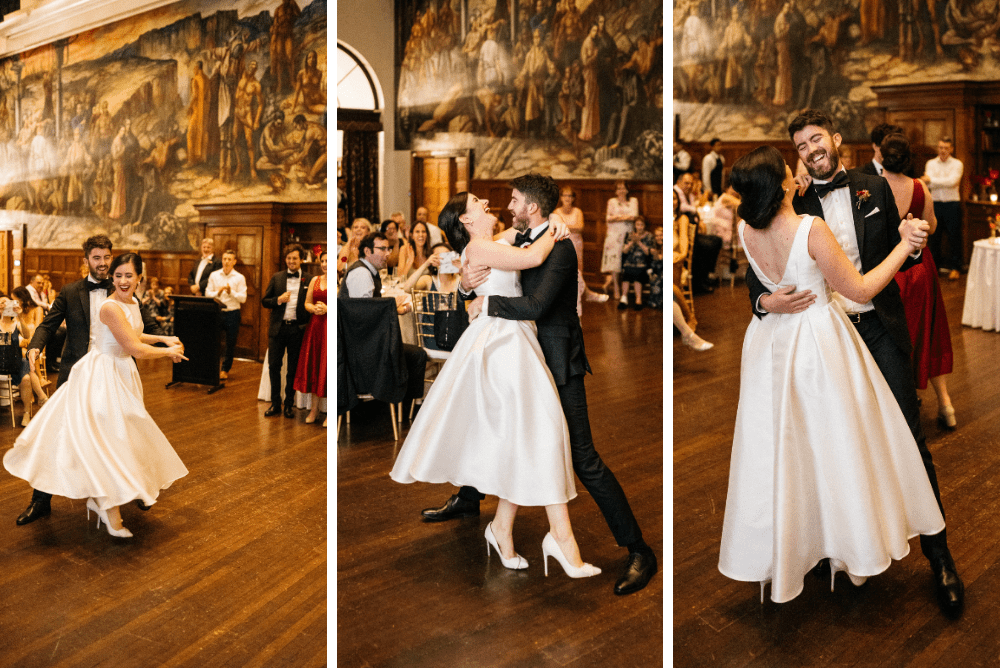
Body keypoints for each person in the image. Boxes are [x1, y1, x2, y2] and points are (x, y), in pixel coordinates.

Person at [746, 110, 963, 617]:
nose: (810, 150)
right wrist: (762, 303)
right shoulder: (790, 200)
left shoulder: (873, 187)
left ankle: (941, 556)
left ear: (836, 139)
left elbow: (897, 253)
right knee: (828, 444)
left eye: (816, 139)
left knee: (909, 438)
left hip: (878, 330)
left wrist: (914, 244)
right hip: (820, 341)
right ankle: (841, 549)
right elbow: (762, 273)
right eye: (800, 145)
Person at [425, 174, 658, 595]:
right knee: (510, 439)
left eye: (513, 200)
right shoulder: (523, 239)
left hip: (556, 361)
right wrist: (463, 288)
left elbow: (534, 304)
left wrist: (485, 302)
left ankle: (639, 550)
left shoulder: (560, 246)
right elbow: (487, 264)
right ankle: (497, 521)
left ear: (531, 207)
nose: (506, 205)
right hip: (524, 361)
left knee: (583, 459)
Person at [392, 187, 601, 580]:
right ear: (467, 220)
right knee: (541, 429)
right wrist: (559, 226)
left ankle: (504, 530)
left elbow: (527, 237)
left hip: (516, 340)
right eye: (477, 203)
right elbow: (535, 254)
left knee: (524, 436)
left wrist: (553, 220)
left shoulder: (491, 242)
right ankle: (561, 540)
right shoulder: (482, 249)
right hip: (500, 346)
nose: (487, 204)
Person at [5, 252, 188, 539]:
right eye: (118, 274)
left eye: (128, 275)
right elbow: (50, 326)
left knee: (118, 438)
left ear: (139, 276)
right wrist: (169, 352)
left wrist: (163, 337)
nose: (122, 279)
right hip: (98, 375)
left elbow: (135, 334)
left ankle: (119, 493)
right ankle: (83, 503)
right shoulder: (96, 301)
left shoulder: (131, 302)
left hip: (122, 373)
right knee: (83, 439)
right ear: (89, 260)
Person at [880, 134, 957, 429]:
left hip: (888, 271)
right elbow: (932, 226)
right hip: (920, 268)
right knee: (930, 332)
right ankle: (946, 405)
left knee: (893, 337)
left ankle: (897, 405)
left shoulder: (874, 187)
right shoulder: (919, 187)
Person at [339, 233, 427, 412]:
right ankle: (404, 407)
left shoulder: (368, 272)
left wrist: (395, 310)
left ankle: (401, 405)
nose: (388, 254)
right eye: (382, 249)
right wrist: (392, 306)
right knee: (417, 355)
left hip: (367, 343)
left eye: (389, 249)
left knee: (413, 352)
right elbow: (362, 316)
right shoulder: (361, 273)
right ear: (367, 251)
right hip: (360, 350)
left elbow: (370, 312)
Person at [262, 244, 313, 419]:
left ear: (301, 260)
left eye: (295, 258)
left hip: (297, 330)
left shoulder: (309, 279)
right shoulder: (277, 277)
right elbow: (265, 301)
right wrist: (278, 300)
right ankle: (275, 403)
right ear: (286, 260)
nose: (291, 261)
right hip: (278, 329)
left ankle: (289, 405)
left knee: (293, 369)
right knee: (274, 366)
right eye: (289, 258)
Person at [551, 186, 608, 315]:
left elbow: (580, 227)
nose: (567, 198)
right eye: (565, 195)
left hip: (576, 243)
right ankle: (582, 296)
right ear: (561, 197)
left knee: (578, 272)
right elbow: (555, 228)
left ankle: (579, 298)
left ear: (573, 198)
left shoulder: (578, 211)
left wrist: (564, 226)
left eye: (570, 196)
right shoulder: (556, 212)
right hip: (561, 243)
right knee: (566, 271)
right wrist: (569, 228)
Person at [921, 137, 964, 280]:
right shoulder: (931, 163)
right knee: (934, 237)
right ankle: (935, 268)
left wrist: (932, 180)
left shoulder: (957, 164)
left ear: (951, 149)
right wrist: (933, 182)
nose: (943, 150)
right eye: (940, 147)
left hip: (952, 204)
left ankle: (955, 268)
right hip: (935, 204)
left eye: (946, 148)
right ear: (938, 148)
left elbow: (952, 182)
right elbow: (926, 185)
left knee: (954, 237)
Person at [293, 251, 327, 425]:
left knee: (327, 368)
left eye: (329, 261)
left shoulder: (340, 283)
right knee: (315, 365)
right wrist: (313, 309)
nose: (325, 264)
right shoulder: (315, 280)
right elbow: (306, 302)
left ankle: (330, 412)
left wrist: (328, 309)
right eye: (323, 261)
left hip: (330, 327)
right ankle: (314, 409)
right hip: (315, 326)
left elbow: (344, 307)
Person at [205, 249, 247, 380]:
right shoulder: (214, 275)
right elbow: (207, 293)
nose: (226, 262)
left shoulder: (239, 277)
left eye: (229, 259)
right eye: (224, 259)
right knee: (213, 341)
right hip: (217, 312)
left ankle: (225, 369)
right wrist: (218, 292)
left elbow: (243, 298)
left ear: (234, 262)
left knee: (230, 343)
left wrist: (231, 292)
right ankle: (212, 367)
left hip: (232, 313)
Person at [12, 286, 49, 413]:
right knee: (27, 353)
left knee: (30, 351)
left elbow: (38, 330)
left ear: (22, 299)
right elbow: (11, 335)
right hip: (21, 346)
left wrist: (27, 341)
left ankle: (34, 389)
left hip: (34, 342)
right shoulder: (13, 313)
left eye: (15, 300)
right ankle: (39, 383)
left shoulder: (37, 309)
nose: (14, 303)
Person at [600, 180, 638, 301]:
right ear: (616, 191)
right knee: (615, 263)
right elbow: (608, 218)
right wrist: (624, 217)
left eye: (623, 188)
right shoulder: (611, 201)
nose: (621, 191)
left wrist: (617, 217)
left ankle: (614, 284)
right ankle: (616, 287)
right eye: (619, 188)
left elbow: (634, 217)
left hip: (628, 235)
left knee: (626, 262)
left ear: (627, 189)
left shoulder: (633, 201)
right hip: (613, 236)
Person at [0, 294, 34, 426]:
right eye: (1, 303)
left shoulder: (17, 323)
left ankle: (26, 413)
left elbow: (27, 335)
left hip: (15, 363)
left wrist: (19, 316)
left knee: (26, 379)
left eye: (6, 303)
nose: (3, 305)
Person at [619, 215, 654, 310]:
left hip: (642, 263)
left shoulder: (649, 236)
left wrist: (639, 242)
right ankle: (623, 298)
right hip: (630, 262)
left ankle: (638, 300)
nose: (639, 227)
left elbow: (648, 252)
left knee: (637, 274)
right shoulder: (630, 235)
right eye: (637, 225)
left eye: (641, 225)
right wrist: (632, 242)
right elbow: (624, 251)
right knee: (627, 273)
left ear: (644, 226)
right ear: (635, 225)